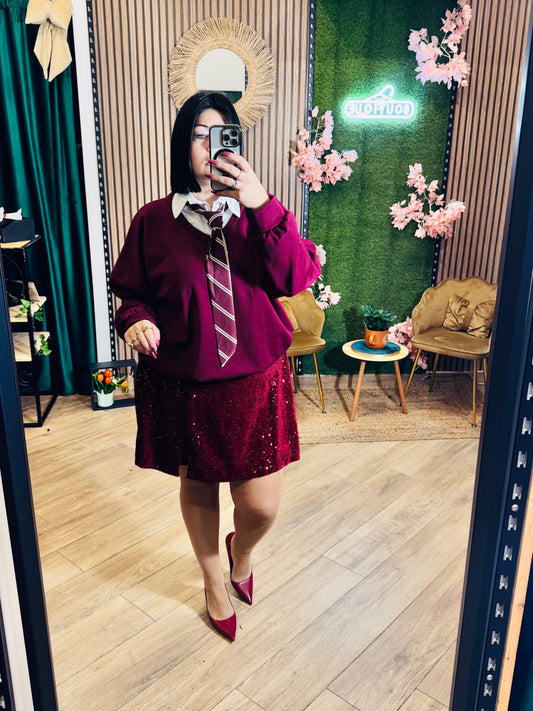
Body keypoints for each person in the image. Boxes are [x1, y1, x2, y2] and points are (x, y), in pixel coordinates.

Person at [109, 91, 321, 641]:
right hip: (187, 384)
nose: (210, 147)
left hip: (256, 383)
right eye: (199, 135)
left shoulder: (261, 216)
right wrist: (135, 319)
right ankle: (212, 581)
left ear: (236, 144)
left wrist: (262, 202)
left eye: (221, 135)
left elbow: (296, 277)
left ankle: (240, 553)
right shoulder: (153, 222)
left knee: (262, 506)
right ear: (184, 145)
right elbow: (131, 293)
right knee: (199, 489)